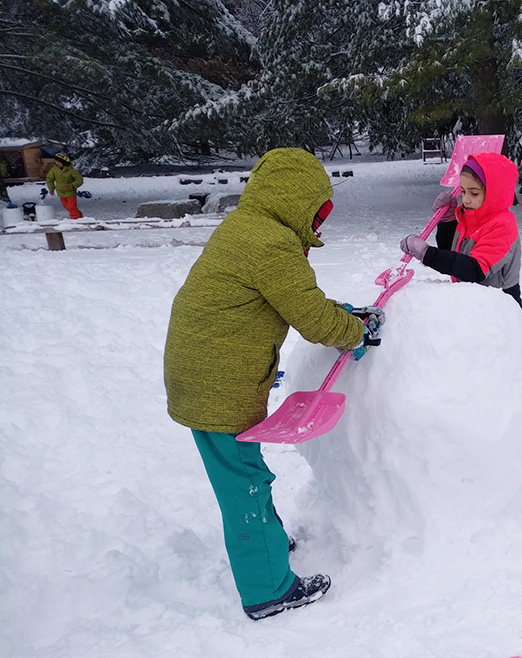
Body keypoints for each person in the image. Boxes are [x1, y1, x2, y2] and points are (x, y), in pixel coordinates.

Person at [163, 147, 385, 620]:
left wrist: (339, 314)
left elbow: (291, 299)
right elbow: (308, 314)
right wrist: (354, 331)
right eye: (317, 215)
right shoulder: (272, 244)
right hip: (217, 386)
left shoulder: (248, 228)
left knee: (243, 473)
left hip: (206, 374)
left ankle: (266, 543)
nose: (319, 227)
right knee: (245, 482)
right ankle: (267, 590)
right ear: (295, 202)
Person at [400, 152, 522, 306]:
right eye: (463, 191)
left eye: (474, 193)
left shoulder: (502, 226)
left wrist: (427, 254)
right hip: (474, 302)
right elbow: (454, 255)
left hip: (499, 310)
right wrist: (447, 222)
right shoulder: (472, 217)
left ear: (495, 193)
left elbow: (474, 270)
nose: (465, 199)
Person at [45, 152, 84, 219]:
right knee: (66, 206)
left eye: (59, 162)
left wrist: (73, 185)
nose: (57, 163)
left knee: (71, 206)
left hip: (70, 192)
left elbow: (79, 180)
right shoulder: (54, 170)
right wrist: (51, 188)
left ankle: (75, 218)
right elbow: (49, 179)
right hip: (60, 192)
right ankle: (79, 215)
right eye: (56, 162)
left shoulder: (71, 171)